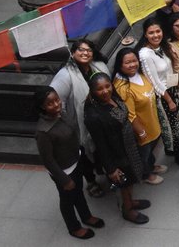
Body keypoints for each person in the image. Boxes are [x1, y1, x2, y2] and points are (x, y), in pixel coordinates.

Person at [35, 87, 103, 240]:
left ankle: (86, 216)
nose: (56, 104)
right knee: (67, 199)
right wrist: (64, 180)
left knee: (78, 191)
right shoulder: (43, 132)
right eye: (50, 103)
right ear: (42, 107)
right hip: (64, 170)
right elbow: (48, 160)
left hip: (75, 161)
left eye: (57, 99)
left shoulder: (61, 114)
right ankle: (73, 227)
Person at [84, 73, 150, 225]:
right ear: (93, 91)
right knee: (123, 182)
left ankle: (131, 201)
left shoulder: (114, 97)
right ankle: (127, 210)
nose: (105, 91)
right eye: (100, 89)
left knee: (132, 176)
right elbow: (101, 145)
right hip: (116, 154)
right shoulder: (93, 115)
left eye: (107, 86)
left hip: (128, 146)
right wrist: (111, 168)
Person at [51, 41, 110, 196]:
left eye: (89, 50)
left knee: (101, 148)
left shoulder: (99, 66)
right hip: (78, 124)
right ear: (73, 52)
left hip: (100, 118)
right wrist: (66, 123)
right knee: (84, 155)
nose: (85, 53)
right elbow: (55, 100)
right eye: (81, 50)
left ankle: (104, 171)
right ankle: (91, 182)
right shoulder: (65, 75)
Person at [112, 48, 164, 185]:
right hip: (141, 128)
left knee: (150, 150)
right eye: (127, 62)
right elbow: (130, 115)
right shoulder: (123, 87)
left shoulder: (140, 74)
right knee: (143, 153)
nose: (132, 65)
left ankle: (152, 166)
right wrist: (140, 132)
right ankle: (146, 174)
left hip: (151, 121)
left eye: (134, 61)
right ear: (120, 65)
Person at [137, 18, 179, 164]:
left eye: (158, 31)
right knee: (172, 126)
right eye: (151, 33)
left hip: (173, 88)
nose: (156, 35)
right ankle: (177, 155)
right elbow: (154, 81)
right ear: (145, 35)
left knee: (178, 123)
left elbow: (169, 69)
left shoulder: (162, 46)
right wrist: (169, 100)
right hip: (163, 95)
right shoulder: (145, 54)